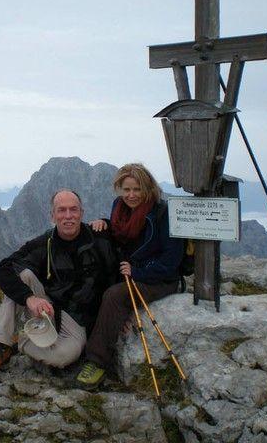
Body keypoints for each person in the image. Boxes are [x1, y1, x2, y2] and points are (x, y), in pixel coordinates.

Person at [0, 189, 117, 373]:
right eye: (61, 210)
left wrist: (106, 222)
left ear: (82, 213)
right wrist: (29, 298)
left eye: (73, 210)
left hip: (79, 318)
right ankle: (2, 344)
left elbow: (122, 244)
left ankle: (23, 340)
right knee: (23, 275)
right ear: (53, 216)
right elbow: (4, 268)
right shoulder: (45, 243)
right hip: (48, 306)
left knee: (64, 356)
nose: (68, 216)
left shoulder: (99, 239)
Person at [76, 163, 183, 388]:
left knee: (114, 296)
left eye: (137, 189)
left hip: (160, 279)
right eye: (126, 189)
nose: (131, 195)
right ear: (119, 189)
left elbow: (171, 261)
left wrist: (139, 272)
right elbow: (120, 236)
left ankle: (96, 361)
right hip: (129, 271)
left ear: (148, 188)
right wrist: (104, 223)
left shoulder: (162, 214)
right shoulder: (120, 207)